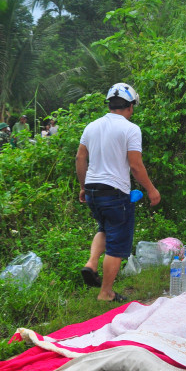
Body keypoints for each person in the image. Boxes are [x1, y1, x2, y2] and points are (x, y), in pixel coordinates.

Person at [76, 83, 161, 302]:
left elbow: (80, 158)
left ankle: (92, 262)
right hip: (115, 192)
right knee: (116, 243)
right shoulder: (130, 129)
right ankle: (106, 293)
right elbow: (136, 166)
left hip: (94, 189)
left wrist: (84, 187)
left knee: (104, 228)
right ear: (130, 106)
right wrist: (151, 190)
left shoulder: (91, 127)